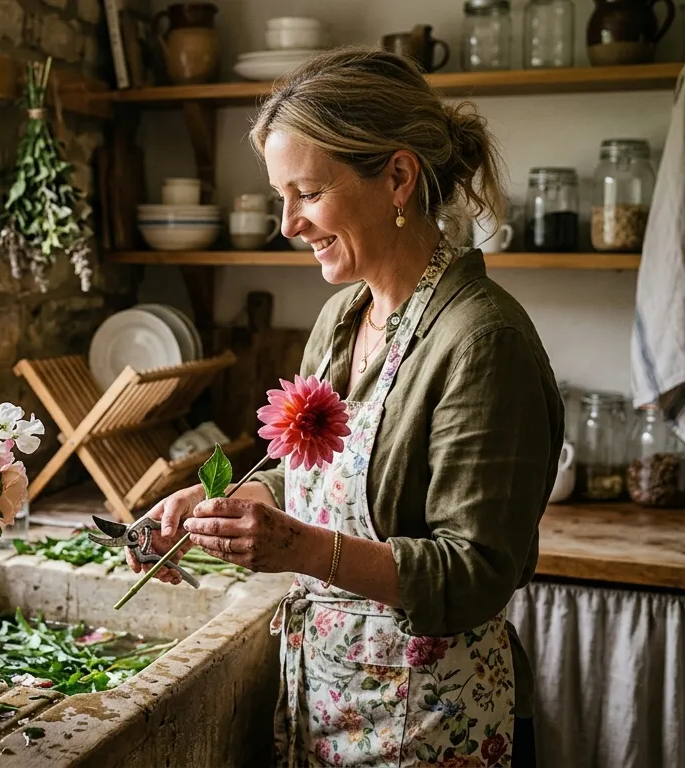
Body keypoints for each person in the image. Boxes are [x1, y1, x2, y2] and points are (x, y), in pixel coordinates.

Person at [127, 47, 563, 766]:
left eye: (307, 192)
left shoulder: (483, 340)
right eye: (280, 197)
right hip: (328, 699)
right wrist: (216, 507)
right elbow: (311, 482)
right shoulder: (341, 319)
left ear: (396, 177)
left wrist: (298, 549)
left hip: (430, 722)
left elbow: (477, 572)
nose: (288, 223)